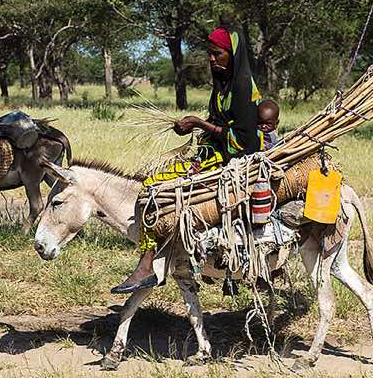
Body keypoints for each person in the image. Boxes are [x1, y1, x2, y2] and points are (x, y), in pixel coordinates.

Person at [111, 26, 261, 294]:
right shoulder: (222, 84)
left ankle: (147, 263)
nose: (212, 59)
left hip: (235, 160)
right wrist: (192, 130)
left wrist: (199, 123)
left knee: (154, 188)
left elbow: (245, 140)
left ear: (233, 55)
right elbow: (217, 123)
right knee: (153, 182)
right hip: (212, 154)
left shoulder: (242, 87)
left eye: (217, 54)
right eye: (210, 54)